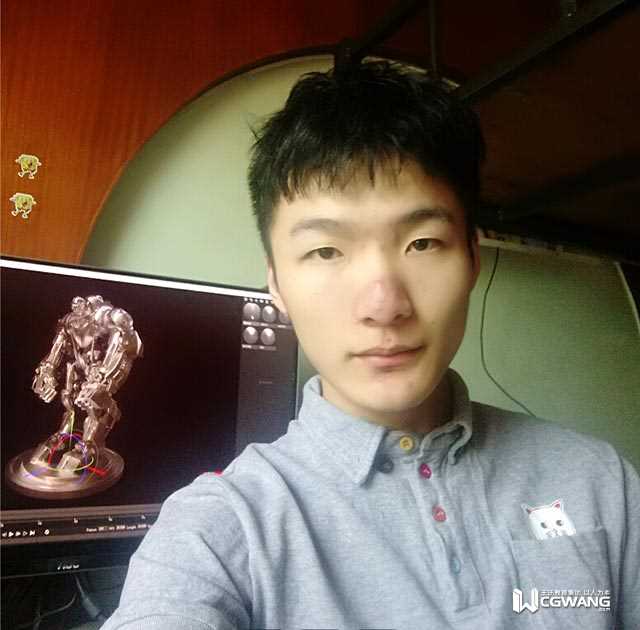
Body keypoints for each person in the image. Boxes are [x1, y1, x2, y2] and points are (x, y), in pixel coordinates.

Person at [101, 61, 639, 629]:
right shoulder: (221, 530)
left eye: (422, 242)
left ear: (472, 259)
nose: (384, 305)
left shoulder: (598, 481)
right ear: (276, 285)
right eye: (325, 251)